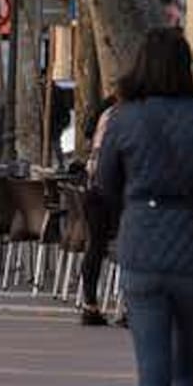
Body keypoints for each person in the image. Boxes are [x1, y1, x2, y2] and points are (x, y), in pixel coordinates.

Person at [96, 28, 193, 386]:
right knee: (188, 373)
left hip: (142, 244)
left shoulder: (124, 119)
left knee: (152, 378)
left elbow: (104, 184)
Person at [80, 89, 119, 327]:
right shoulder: (124, 115)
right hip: (113, 190)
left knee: (95, 246)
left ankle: (90, 303)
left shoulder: (106, 112)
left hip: (93, 187)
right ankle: (125, 308)